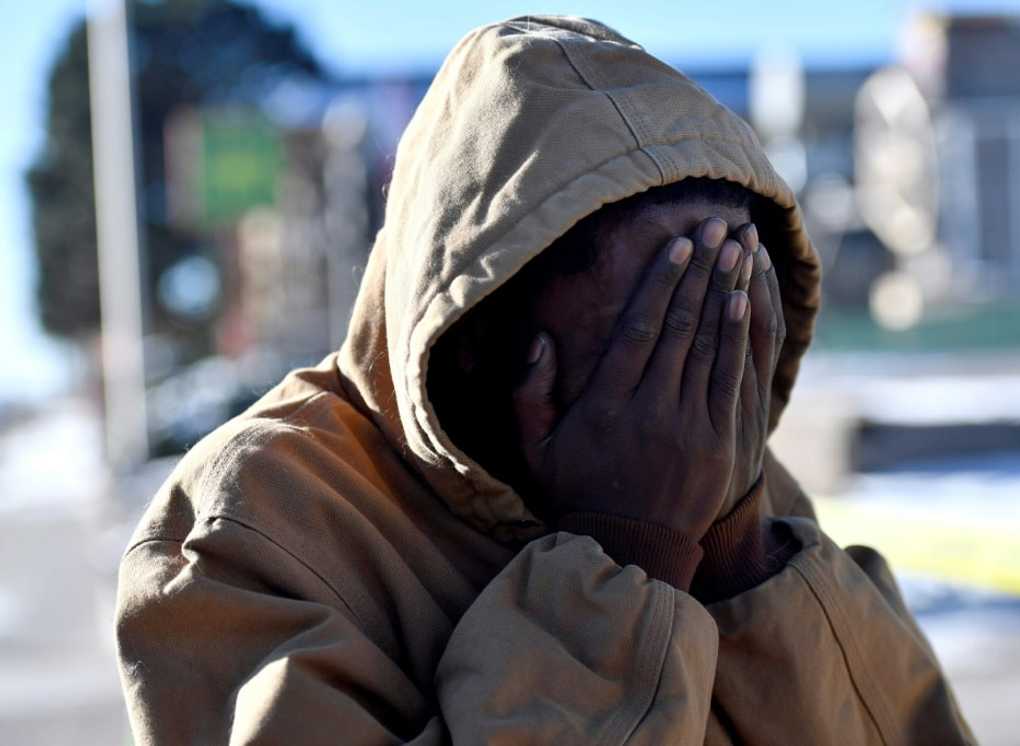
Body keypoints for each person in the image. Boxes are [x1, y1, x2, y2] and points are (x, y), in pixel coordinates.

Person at [116, 15, 975, 745]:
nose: (703, 383)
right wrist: (624, 550)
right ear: (474, 335)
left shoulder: (720, 471)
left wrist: (743, 559)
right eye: (655, 333)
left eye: (731, 311)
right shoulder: (255, 521)